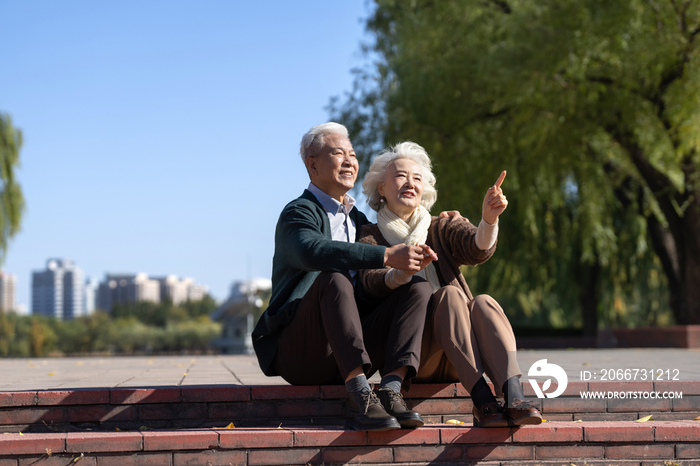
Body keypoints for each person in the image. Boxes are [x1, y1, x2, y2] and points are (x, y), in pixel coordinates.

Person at [252, 123, 437, 432]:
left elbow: (401, 217)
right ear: (313, 164)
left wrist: (439, 220)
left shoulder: (360, 221)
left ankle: (391, 389)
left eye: (353, 154)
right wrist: (386, 255)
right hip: (304, 352)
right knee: (334, 278)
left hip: (353, 345)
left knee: (416, 285)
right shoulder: (298, 213)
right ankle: (360, 396)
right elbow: (312, 251)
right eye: (339, 154)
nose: (351, 161)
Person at [357, 141, 543, 427]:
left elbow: (475, 247)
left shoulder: (440, 226)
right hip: (417, 357)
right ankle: (483, 400)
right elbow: (369, 283)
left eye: (417, 178)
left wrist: (489, 219)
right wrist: (402, 270)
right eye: (401, 175)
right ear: (381, 188)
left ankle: (515, 396)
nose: (410, 182)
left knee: (484, 302)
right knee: (449, 296)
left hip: (463, 353)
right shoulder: (369, 236)